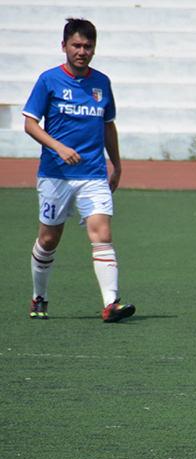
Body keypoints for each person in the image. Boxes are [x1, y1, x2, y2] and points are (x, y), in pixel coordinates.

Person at [23, 18, 135, 323]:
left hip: (93, 174)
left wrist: (117, 165)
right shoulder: (49, 80)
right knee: (49, 239)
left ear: (94, 49)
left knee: (103, 233)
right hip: (55, 174)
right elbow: (30, 123)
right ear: (64, 46)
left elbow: (108, 126)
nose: (81, 51)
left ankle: (111, 304)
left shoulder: (102, 83)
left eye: (87, 46)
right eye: (76, 45)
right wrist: (58, 147)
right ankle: (39, 296)